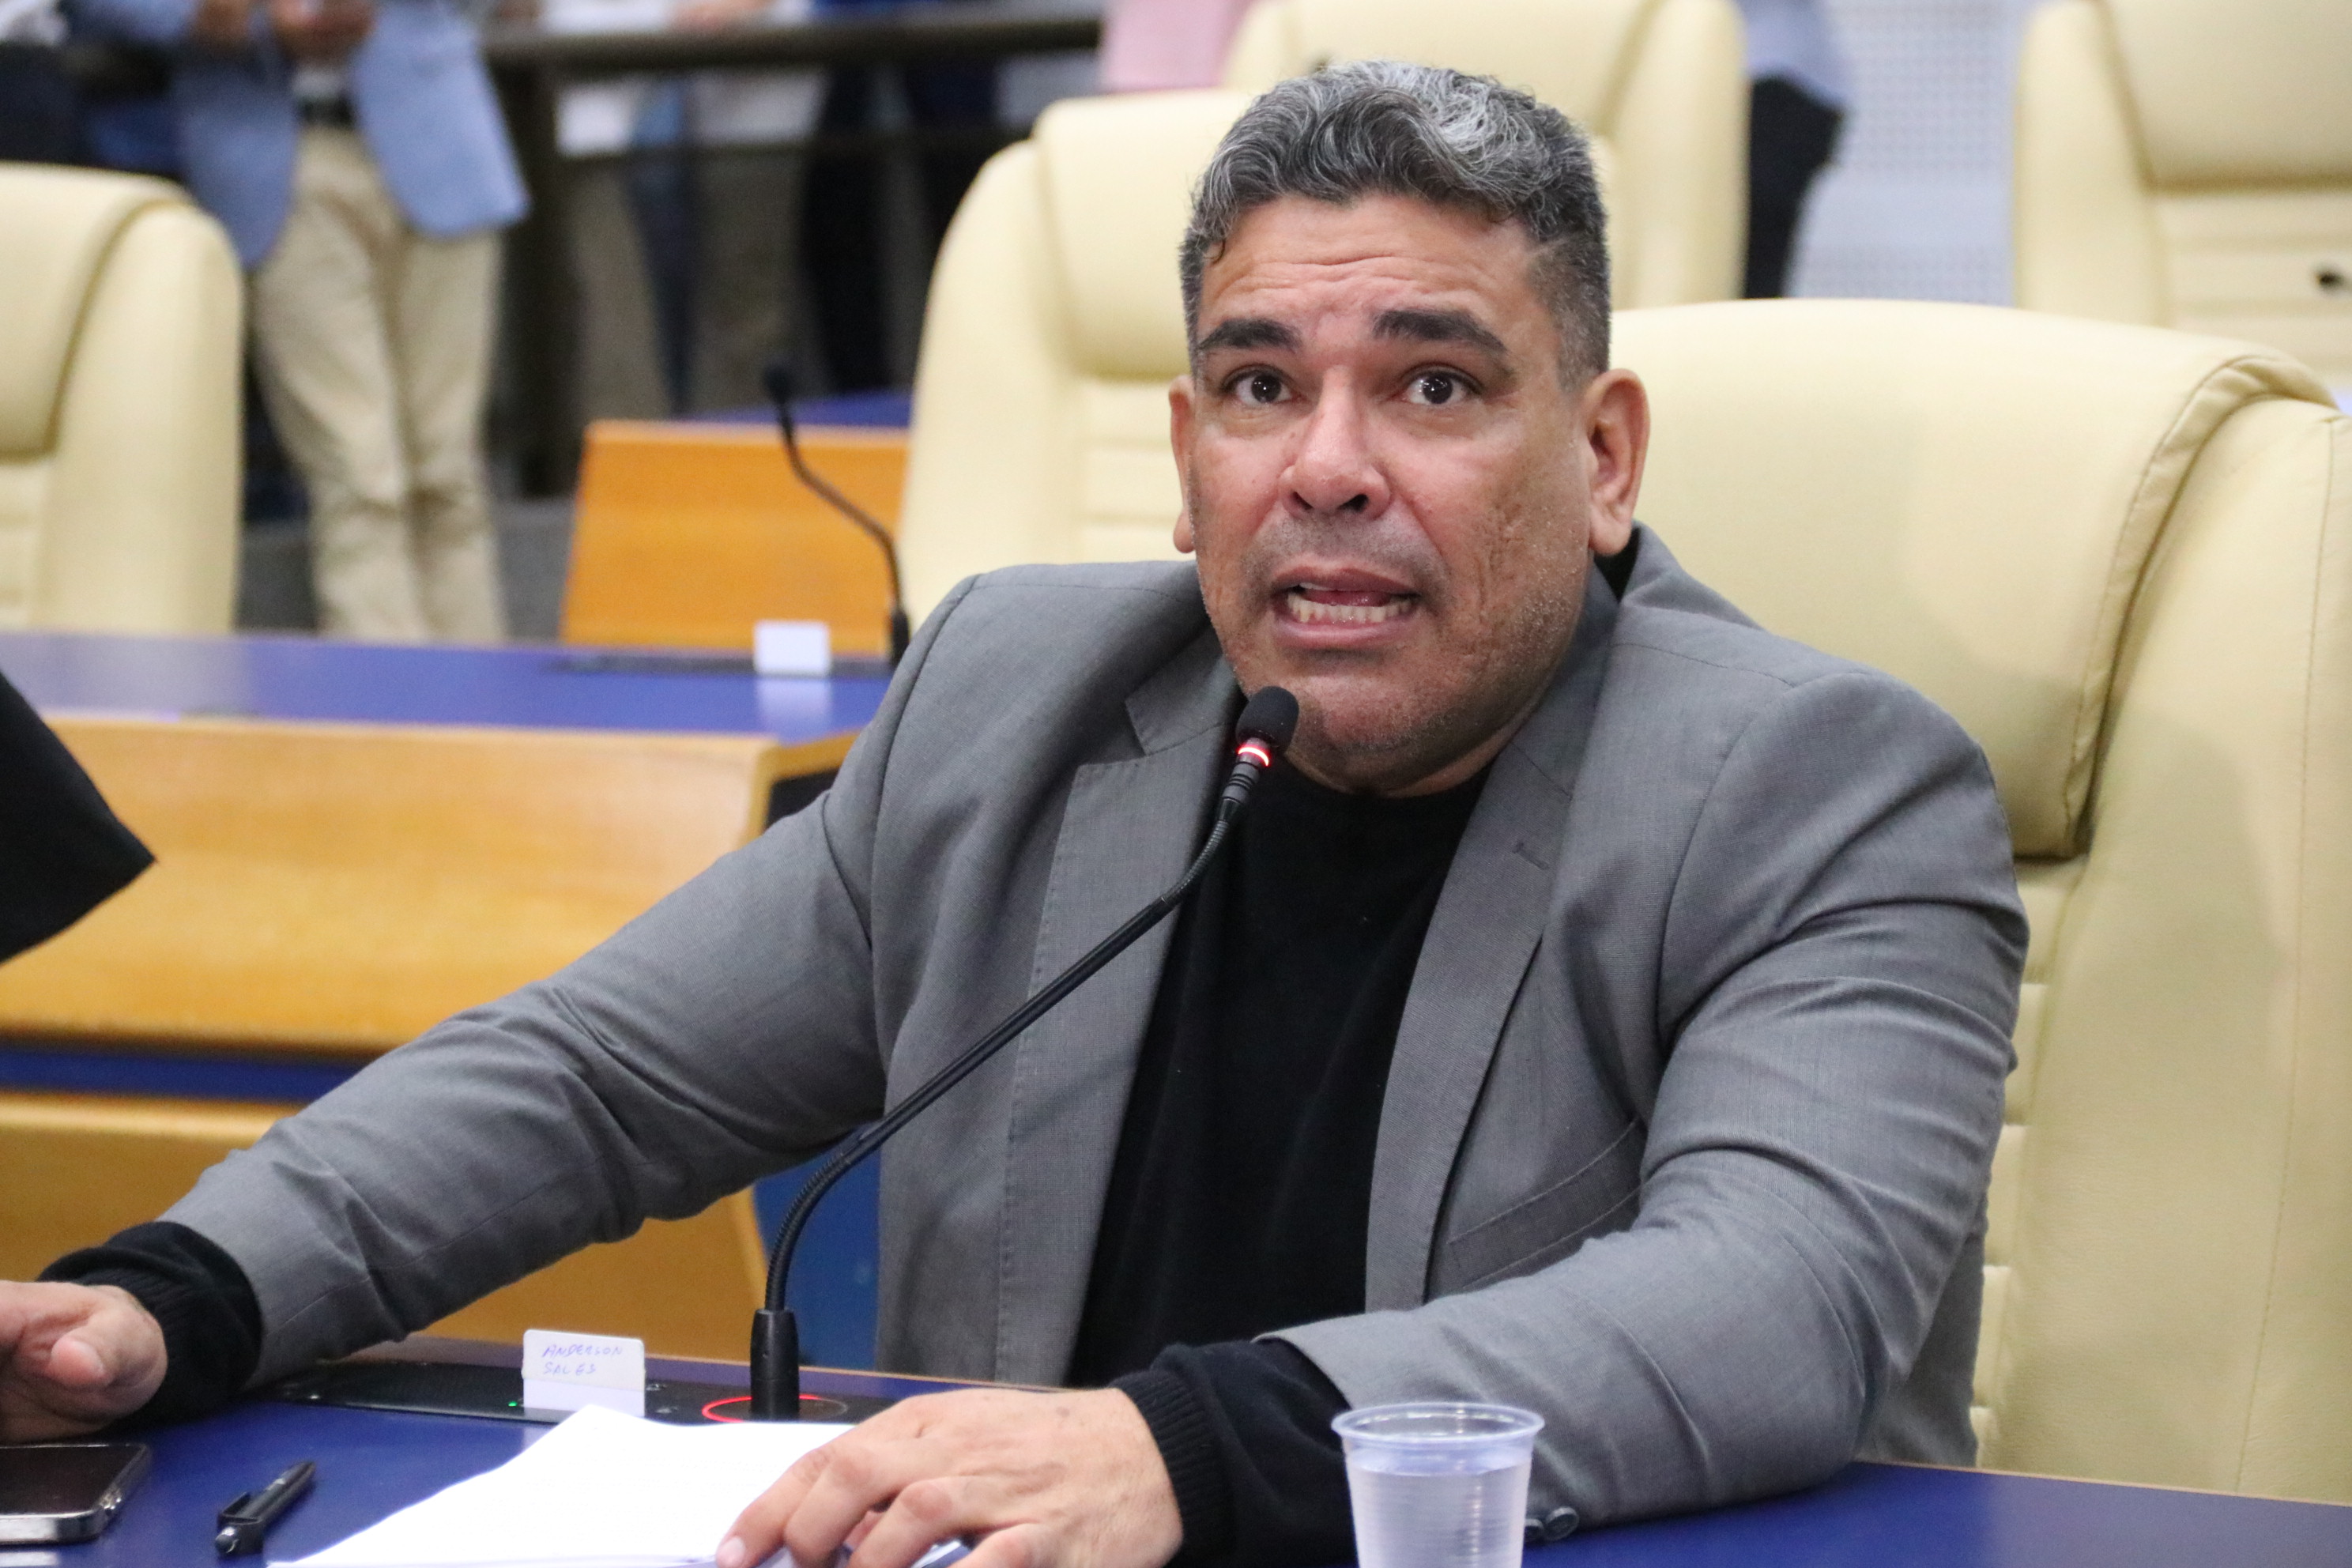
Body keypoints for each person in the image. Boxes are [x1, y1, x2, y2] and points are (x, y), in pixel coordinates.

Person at [0, 62, 2023, 1568]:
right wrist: (178, 1293)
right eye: (1259, 388)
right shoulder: (1021, 695)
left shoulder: (1821, 786)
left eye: (1431, 387)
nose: (1325, 468)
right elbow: (597, 1077)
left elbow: (1774, 1301)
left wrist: (1177, 1449)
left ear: (1602, 458)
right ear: (1187, 457)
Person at [75, 0, 525, 641]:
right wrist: (234, 14)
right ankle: (392, 694)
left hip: (436, 144)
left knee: (449, 470)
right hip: (273, 161)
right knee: (357, 471)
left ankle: (481, 690)